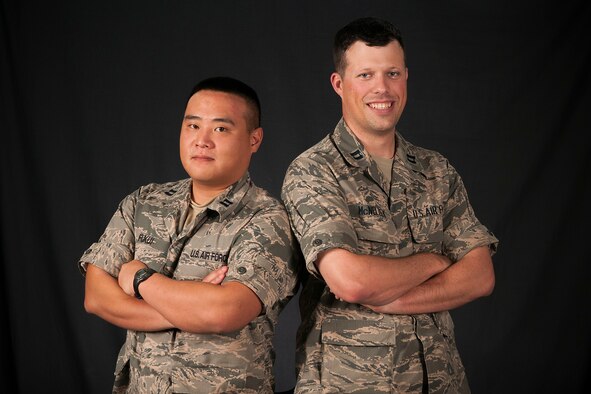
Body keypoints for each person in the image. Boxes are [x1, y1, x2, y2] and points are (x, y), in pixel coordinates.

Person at [281, 17, 498, 393]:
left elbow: (480, 277)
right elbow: (351, 282)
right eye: (365, 75)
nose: (382, 88)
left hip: (442, 380)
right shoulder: (313, 171)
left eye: (392, 73)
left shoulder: (436, 170)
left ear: (406, 77)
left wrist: (395, 300)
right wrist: (436, 261)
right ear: (339, 83)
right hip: (350, 385)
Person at [80, 76, 299, 393]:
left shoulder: (267, 219)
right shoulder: (144, 203)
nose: (202, 140)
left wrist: (140, 276)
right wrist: (185, 307)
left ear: (254, 139)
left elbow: (224, 312)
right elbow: (97, 297)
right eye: (193, 126)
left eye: (221, 129)